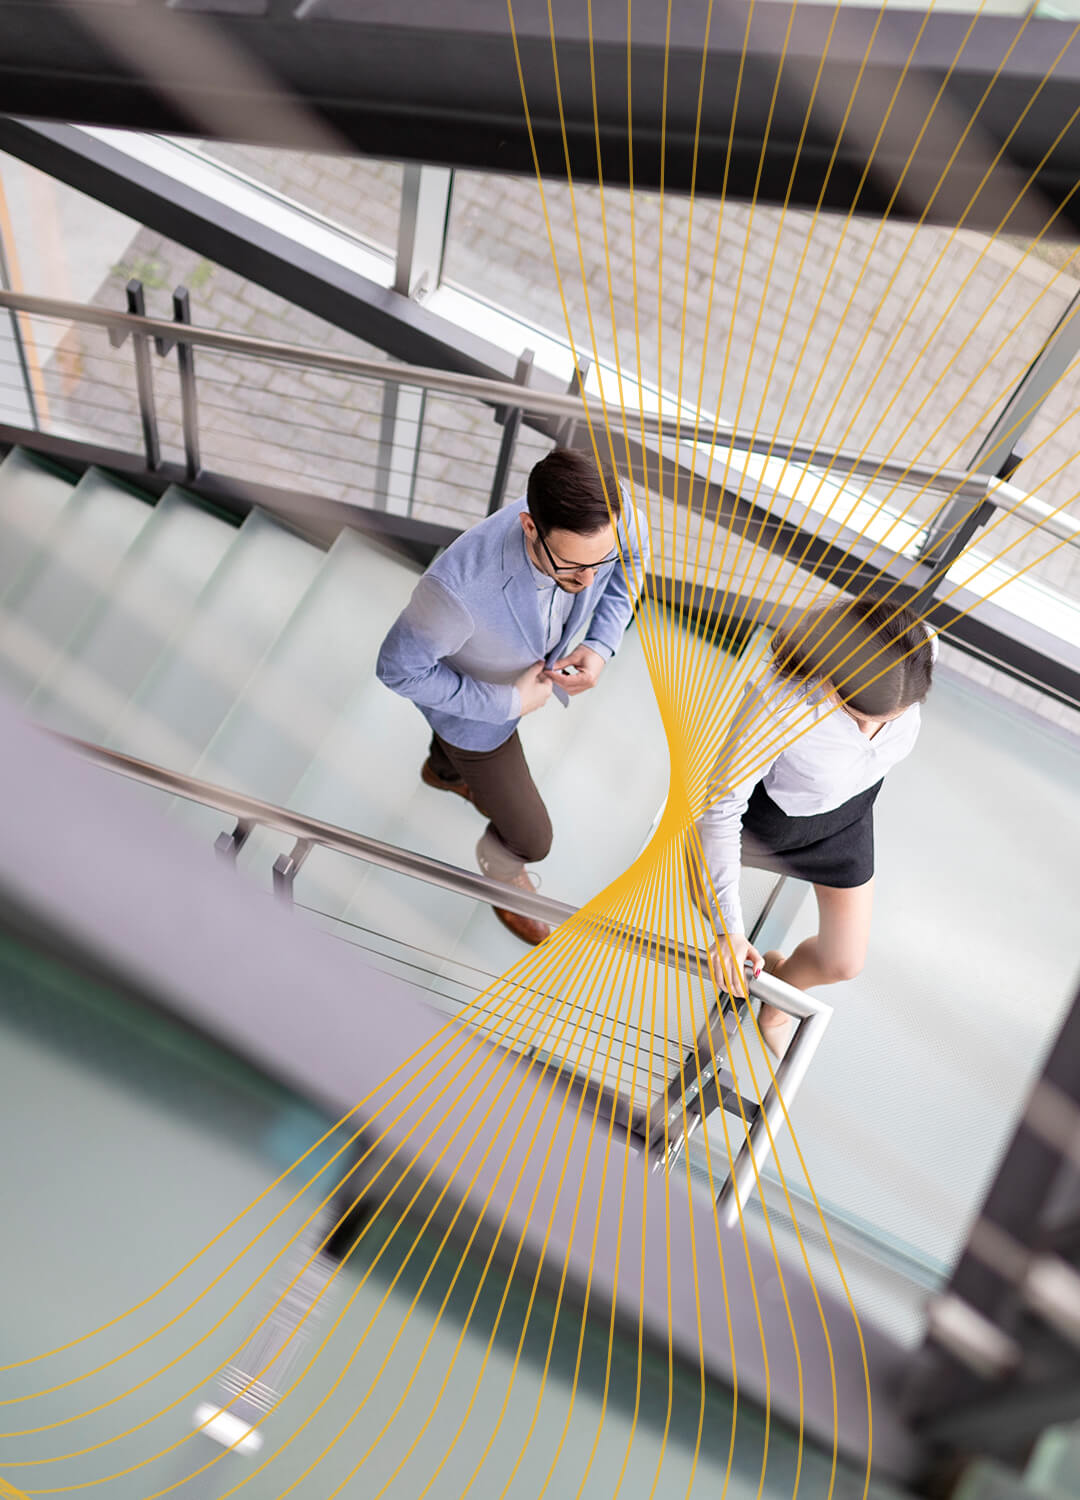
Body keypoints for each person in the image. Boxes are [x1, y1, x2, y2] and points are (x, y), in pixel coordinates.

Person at [376, 447, 649, 945]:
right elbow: (398, 669)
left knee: (456, 760)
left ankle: (445, 771)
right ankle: (499, 867)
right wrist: (509, 705)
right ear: (529, 526)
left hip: (528, 676)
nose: (588, 582)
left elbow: (633, 558)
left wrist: (601, 643)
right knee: (533, 837)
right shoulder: (454, 591)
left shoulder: (610, 511)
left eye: (598, 564)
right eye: (572, 567)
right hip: (482, 714)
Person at [687, 591, 937, 1058]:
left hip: (847, 817)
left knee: (844, 962)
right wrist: (728, 929)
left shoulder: (918, 655)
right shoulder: (778, 704)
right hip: (764, 827)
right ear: (828, 681)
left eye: (892, 719)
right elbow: (721, 809)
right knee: (705, 892)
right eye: (858, 717)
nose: (870, 732)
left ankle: (776, 1004)